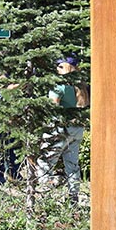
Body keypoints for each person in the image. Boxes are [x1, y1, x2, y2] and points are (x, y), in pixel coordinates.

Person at [47, 56, 89, 203]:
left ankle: (46, 198)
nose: (55, 68)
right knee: (72, 165)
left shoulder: (59, 87)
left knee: (45, 162)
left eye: (59, 66)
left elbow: (52, 107)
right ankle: (73, 198)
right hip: (77, 129)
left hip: (60, 129)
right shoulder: (81, 86)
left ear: (65, 67)